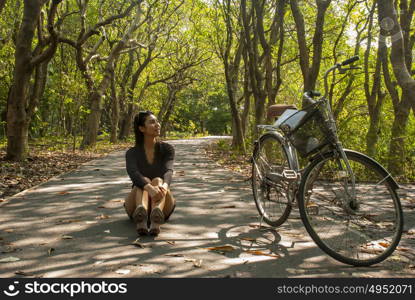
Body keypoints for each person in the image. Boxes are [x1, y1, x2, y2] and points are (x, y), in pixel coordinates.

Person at [124, 111, 175, 236]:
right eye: (152, 122)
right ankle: (142, 213)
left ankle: (156, 214)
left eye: (157, 121)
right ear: (141, 128)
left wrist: (164, 187)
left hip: (163, 202)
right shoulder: (132, 153)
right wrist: (149, 188)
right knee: (143, 181)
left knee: (158, 180)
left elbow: (168, 170)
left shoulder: (167, 149)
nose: (157, 124)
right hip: (136, 202)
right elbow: (134, 173)